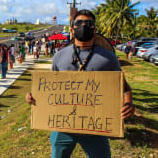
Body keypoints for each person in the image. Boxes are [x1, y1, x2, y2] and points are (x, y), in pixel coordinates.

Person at [25, 9, 135, 158]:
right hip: (62, 128)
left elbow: (124, 87)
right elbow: (48, 88)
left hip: (96, 128)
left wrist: (128, 103)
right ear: (72, 28)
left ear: (94, 29)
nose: (83, 26)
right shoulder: (59, 57)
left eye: (88, 23)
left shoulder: (108, 58)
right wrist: (33, 97)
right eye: (79, 23)